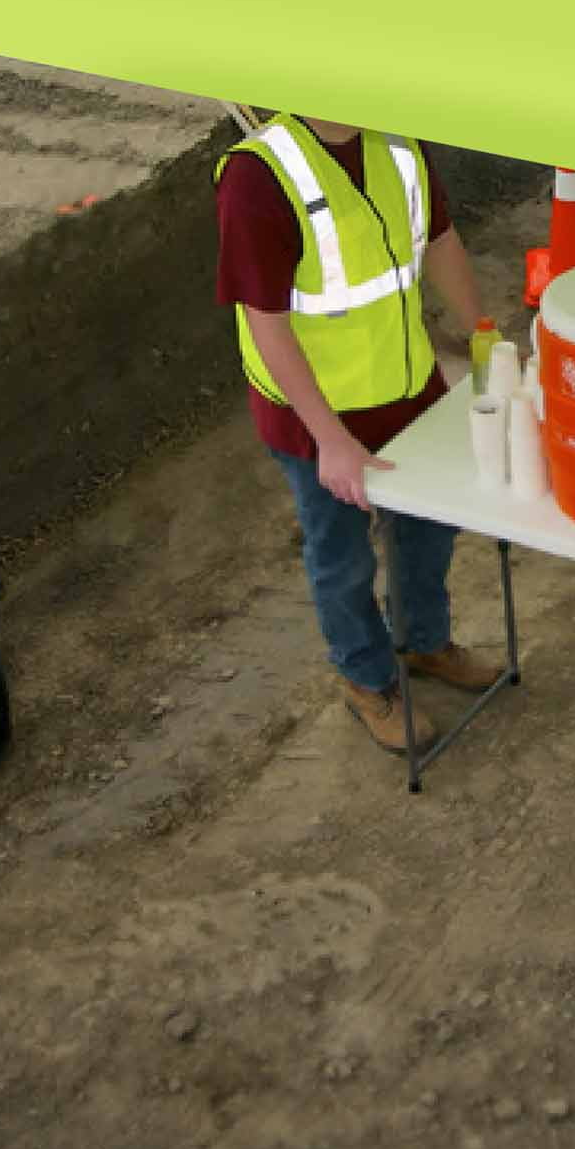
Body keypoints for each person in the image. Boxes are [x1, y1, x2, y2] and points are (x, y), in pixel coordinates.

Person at [215, 110, 503, 756]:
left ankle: (425, 643)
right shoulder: (258, 176)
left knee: (429, 529)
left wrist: (485, 334)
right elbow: (266, 320)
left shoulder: (398, 136)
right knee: (342, 556)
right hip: (320, 416)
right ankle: (367, 677)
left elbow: (441, 239)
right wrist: (331, 440)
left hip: (408, 388)